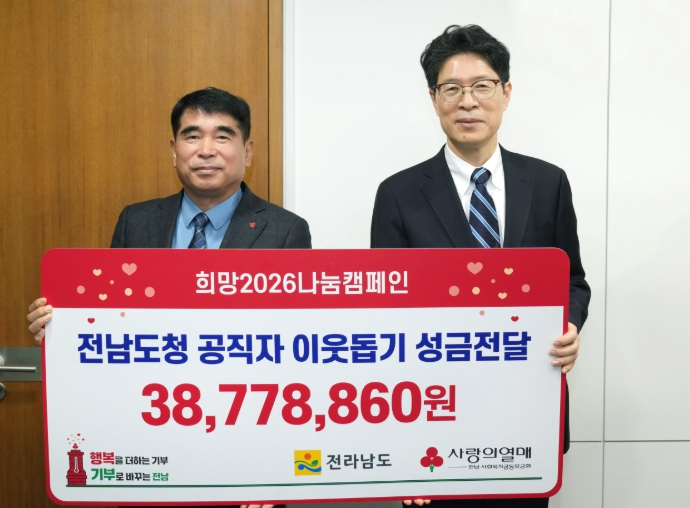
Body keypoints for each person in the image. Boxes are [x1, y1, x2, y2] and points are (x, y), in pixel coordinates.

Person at [27, 87, 308, 508]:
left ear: (247, 152)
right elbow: (111, 325)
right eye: (192, 136)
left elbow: (297, 353)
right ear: (174, 150)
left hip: (244, 444)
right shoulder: (136, 221)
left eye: (223, 136)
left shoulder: (285, 231)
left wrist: (272, 472)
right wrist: (60, 328)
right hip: (147, 440)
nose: (206, 150)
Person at [370, 25, 590, 508]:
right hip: (433, 415)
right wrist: (403, 448)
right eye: (451, 88)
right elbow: (386, 310)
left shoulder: (548, 182)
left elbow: (572, 278)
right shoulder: (398, 194)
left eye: (482, 86)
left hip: (528, 411)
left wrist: (569, 325)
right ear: (434, 99)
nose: (467, 102)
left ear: (506, 93)